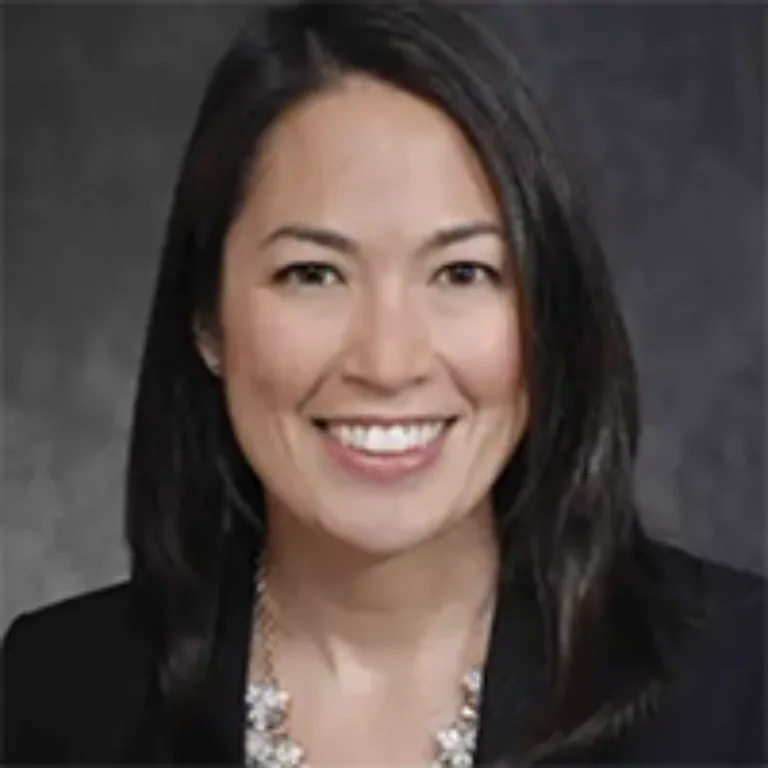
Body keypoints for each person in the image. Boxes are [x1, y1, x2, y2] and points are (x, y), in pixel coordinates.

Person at [1, 0, 766, 766]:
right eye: (313, 273)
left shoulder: (736, 679)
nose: (388, 361)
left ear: (548, 315)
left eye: (463, 272)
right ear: (207, 320)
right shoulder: (59, 692)